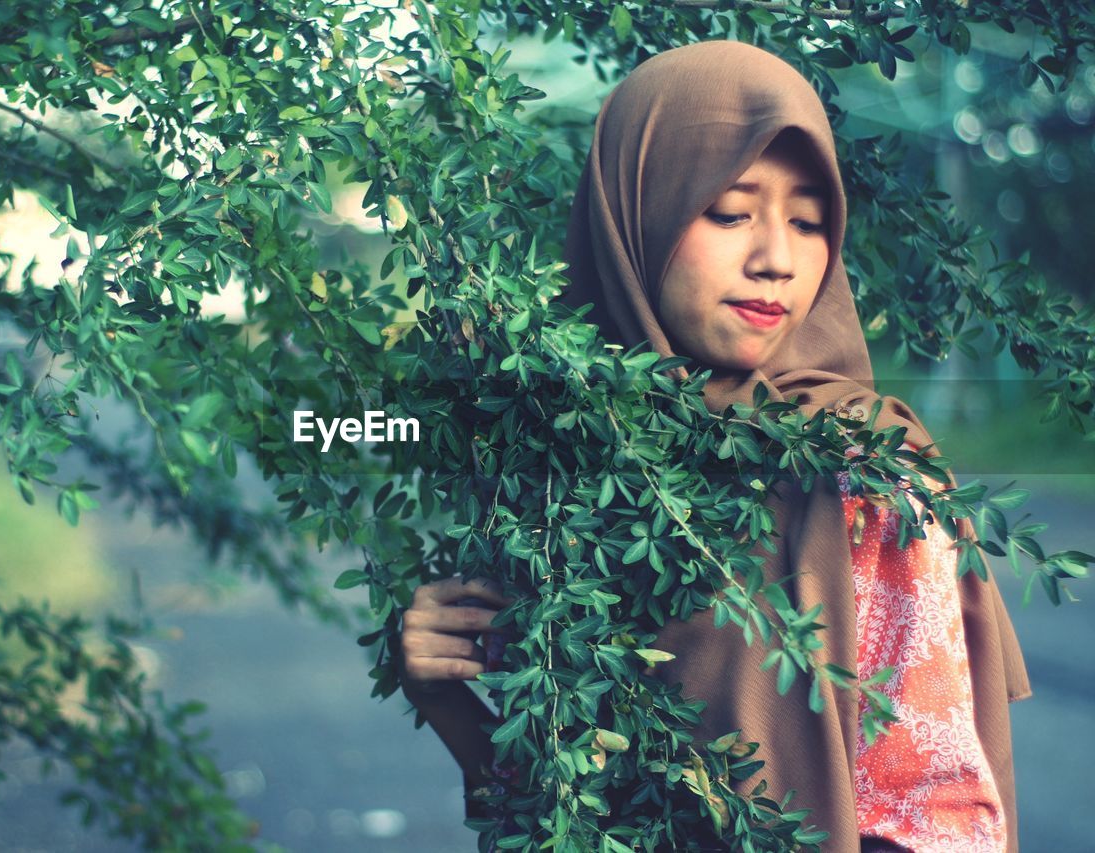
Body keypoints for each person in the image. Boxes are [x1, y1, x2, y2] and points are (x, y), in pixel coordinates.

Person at [399, 40, 1032, 852]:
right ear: (638, 212)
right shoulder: (565, 475)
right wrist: (446, 692)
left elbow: (942, 819)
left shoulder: (866, 473)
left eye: (808, 222)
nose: (777, 259)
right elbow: (552, 814)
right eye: (732, 211)